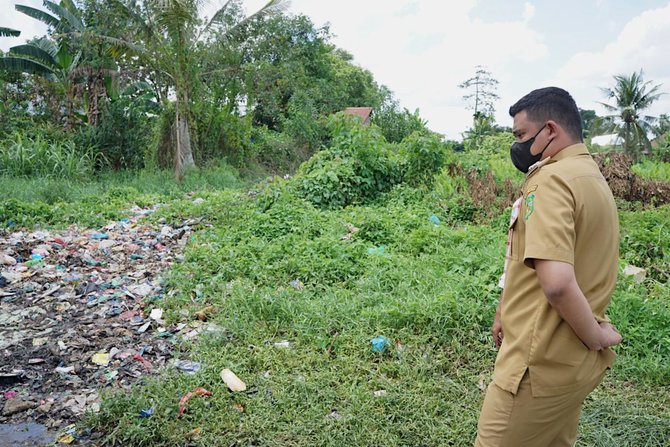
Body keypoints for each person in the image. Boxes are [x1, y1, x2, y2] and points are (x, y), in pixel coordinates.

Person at [475, 87, 623, 447]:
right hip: (568, 365)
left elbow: (556, 283)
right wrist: (503, 310)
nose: (518, 145)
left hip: (536, 365)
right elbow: (527, 259)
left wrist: (598, 337)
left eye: (522, 135)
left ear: (551, 130)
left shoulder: (551, 180)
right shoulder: (588, 176)